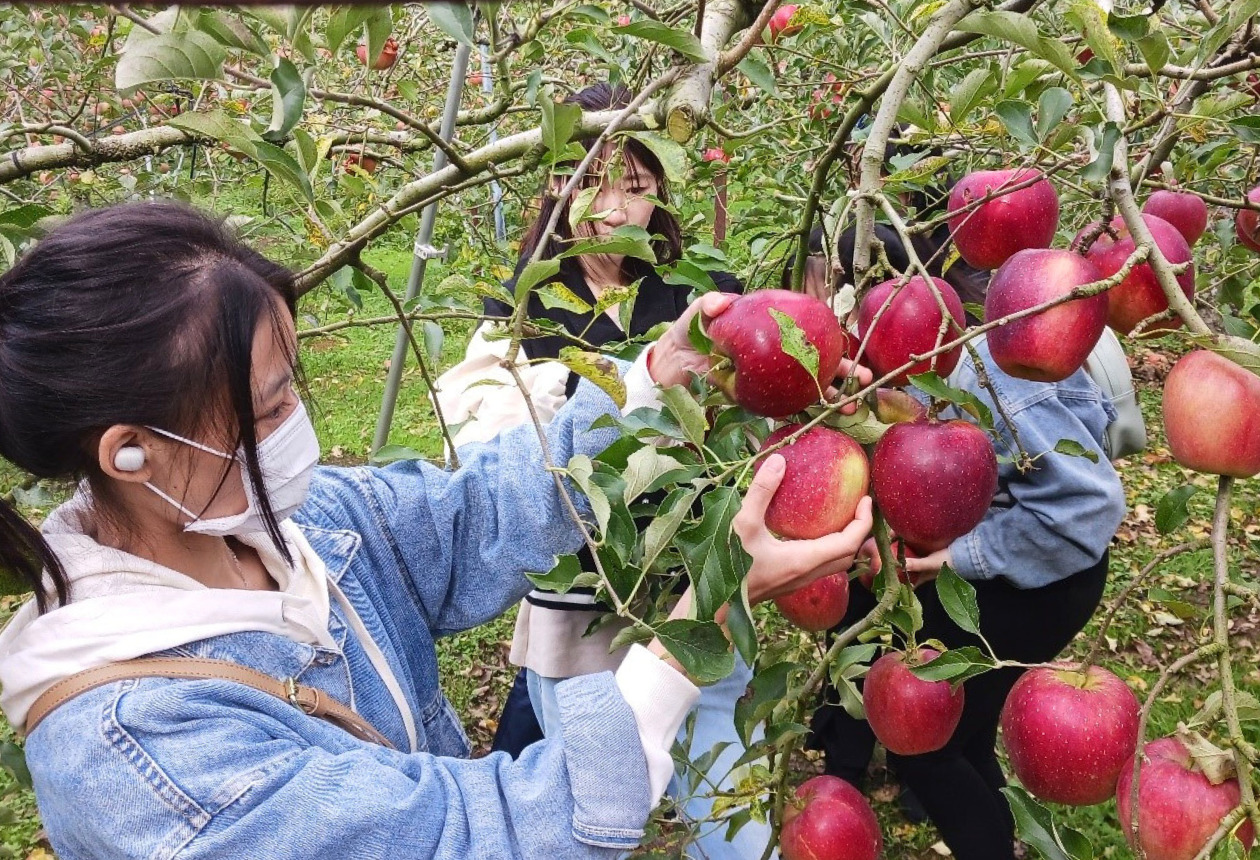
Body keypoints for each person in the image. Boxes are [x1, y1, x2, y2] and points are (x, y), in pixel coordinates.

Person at [0, 201, 875, 860]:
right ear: (131, 453)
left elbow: (471, 519)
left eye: (293, 385)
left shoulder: (299, 527)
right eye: (269, 409)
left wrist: (655, 382)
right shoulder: (144, 752)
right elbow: (473, 835)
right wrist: (706, 621)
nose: (299, 420)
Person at [435, 82, 763, 858]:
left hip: (696, 584)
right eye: (589, 183)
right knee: (584, 792)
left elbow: (755, 421)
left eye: (637, 188)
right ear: (556, 184)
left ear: (663, 196)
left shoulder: (704, 295)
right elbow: (486, 436)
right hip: (577, 600)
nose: (612, 209)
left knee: (729, 798)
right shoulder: (522, 303)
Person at [803, 223, 1127, 860]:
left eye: (835, 296)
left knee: (925, 752)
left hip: (1041, 583)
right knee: (970, 731)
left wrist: (955, 554)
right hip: (1005, 577)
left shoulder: (995, 374)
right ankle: (1004, 838)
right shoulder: (918, 367)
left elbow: (1088, 505)